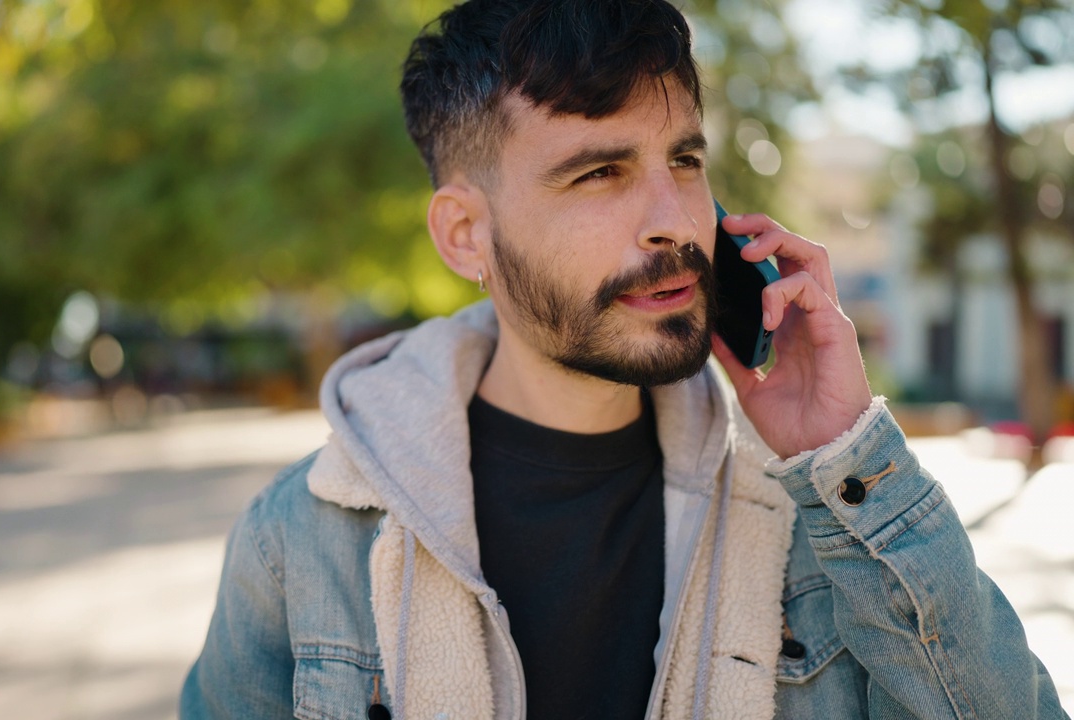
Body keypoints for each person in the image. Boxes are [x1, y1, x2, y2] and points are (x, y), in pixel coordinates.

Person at [180, 1, 1069, 718]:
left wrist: (844, 454)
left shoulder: (822, 520)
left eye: (684, 159)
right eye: (597, 173)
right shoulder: (303, 541)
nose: (674, 218)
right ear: (465, 235)